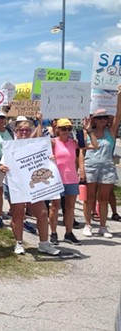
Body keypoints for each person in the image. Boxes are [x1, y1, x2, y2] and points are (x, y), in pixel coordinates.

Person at [0, 119, 60, 256]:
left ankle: (44, 243)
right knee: (18, 214)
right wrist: (2, 167)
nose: (24, 132)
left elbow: (46, 161)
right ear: (16, 132)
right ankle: (19, 243)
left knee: (42, 213)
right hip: (16, 185)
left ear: (31, 131)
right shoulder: (11, 147)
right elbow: (2, 164)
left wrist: (51, 160)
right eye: (21, 130)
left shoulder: (38, 145)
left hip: (34, 186)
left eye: (27, 130)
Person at [49, 117, 94, 245]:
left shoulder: (73, 142)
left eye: (69, 128)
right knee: (55, 207)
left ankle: (69, 233)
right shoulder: (53, 142)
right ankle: (53, 233)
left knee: (70, 208)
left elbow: (94, 146)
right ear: (58, 129)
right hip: (57, 179)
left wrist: (88, 131)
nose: (66, 131)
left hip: (72, 179)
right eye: (63, 128)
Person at [82, 101, 121, 238]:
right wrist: (81, 169)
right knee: (89, 198)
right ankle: (88, 225)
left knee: (103, 198)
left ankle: (103, 227)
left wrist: (119, 96)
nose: (103, 120)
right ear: (94, 120)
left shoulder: (110, 131)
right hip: (90, 166)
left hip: (107, 166)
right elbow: (82, 151)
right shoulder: (87, 132)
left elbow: (119, 113)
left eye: (105, 117)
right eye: (99, 118)